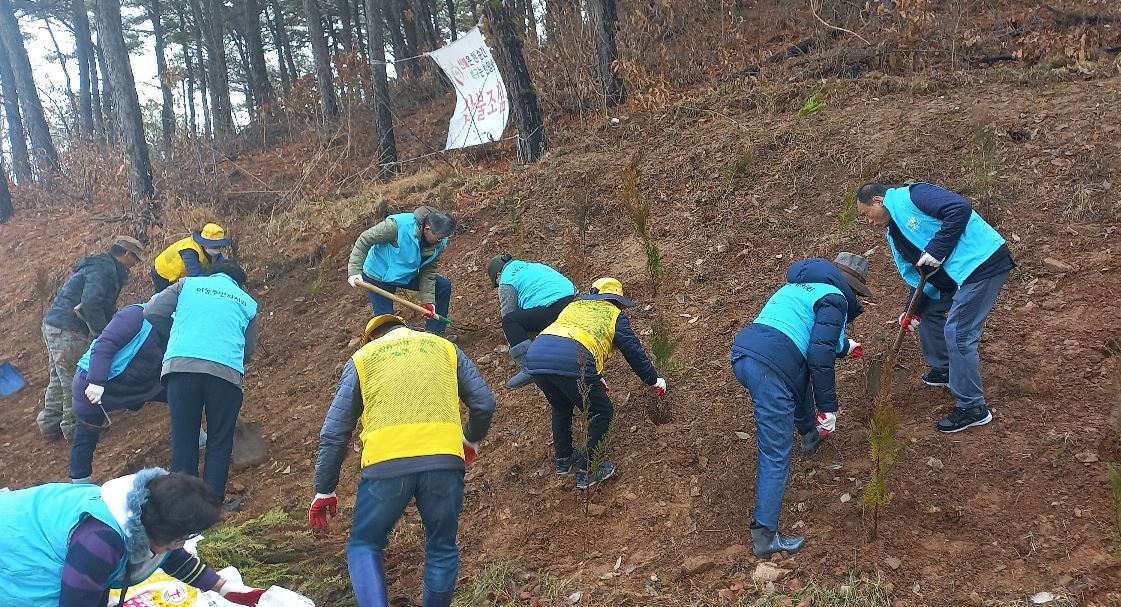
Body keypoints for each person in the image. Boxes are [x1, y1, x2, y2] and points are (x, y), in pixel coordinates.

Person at [308, 314, 495, 607]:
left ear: (372, 337)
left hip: (386, 465)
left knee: (364, 544)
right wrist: (469, 440)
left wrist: (325, 489)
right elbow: (484, 402)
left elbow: (334, 432)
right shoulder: (443, 347)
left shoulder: (363, 358)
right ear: (406, 328)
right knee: (441, 547)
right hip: (443, 461)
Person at [730, 254, 871, 557]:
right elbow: (819, 356)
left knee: (798, 379)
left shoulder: (799, 285)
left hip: (745, 353)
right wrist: (829, 408)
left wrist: (845, 346)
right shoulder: (835, 299)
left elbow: (811, 334)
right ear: (853, 290)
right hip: (771, 367)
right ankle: (765, 535)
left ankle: (809, 435)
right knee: (775, 451)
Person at [856, 181, 1014, 433]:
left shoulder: (913, 196)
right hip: (954, 276)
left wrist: (937, 249)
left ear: (878, 200)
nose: (869, 222)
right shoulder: (894, 235)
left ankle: (973, 407)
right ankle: (946, 369)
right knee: (929, 313)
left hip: (981, 263)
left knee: (959, 334)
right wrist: (912, 309)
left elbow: (960, 208)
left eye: (866, 214)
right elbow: (917, 276)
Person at [0, 468, 266, 606]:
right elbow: (75, 603)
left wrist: (222, 587)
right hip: (16, 547)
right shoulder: (99, 542)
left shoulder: (150, 509)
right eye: (183, 536)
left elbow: (172, 558)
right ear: (160, 530)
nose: (184, 543)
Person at [524, 277, 667, 489]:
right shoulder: (614, 315)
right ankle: (589, 471)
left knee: (561, 406)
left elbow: (573, 335)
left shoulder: (574, 307)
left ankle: (563, 460)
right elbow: (633, 351)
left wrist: (595, 375)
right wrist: (653, 379)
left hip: (536, 355)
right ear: (617, 300)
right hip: (572, 361)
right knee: (602, 413)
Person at [144, 262, 258, 504]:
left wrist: (177, 330)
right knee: (220, 437)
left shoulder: (188, 285)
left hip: (182, 368)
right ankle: (211, 503)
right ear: (239, 284)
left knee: (184, 434)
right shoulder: (247, 302)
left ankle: (182, 501)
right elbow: (248, 349)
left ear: (212, 274)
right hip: (225, 373)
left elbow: (152, 311)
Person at [39, 236, 144, 441]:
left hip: (55, 324)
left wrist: (116, 322)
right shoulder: (104, 270)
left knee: (59, 378)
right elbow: (91, 303)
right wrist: (103, 335)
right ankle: (76, 429)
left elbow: (103, 305)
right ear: (126, 255)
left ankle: (50, 424)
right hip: (69, 329)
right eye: (135, 259)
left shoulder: (102, 267)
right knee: (73, 378)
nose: (136, 265)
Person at [69, 303, 170, 484]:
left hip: (139, 381)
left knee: (178, 396)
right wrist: (96, 382)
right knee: (87, 432)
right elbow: (104, 345)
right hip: (96, 380)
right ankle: (80, 483)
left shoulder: (174, 324)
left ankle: (197, 436)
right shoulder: (135, 315)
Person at [346, 206, 456, 336]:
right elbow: (365, 239)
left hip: (405, 273)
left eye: (443, 238)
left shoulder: (440, 238)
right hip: (379, 274)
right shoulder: (397, 226)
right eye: (439, 238)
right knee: (387, 324)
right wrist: (354, 271)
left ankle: (435, 334)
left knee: (442, 286)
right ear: (427, 229)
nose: (441, 242)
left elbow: (428, 269)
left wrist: (428, 300)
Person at [485, 253, 578, 389]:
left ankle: (531, 367)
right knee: (527, 319)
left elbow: (508, 312)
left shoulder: (506, 280)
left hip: (552, 308)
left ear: (498, 275)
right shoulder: (533, 266)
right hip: (573, 301)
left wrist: (512, 339)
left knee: (510, 321)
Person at [151, 223, 231, 293]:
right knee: (164, 300)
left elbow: (222, 266)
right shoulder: (190, 251)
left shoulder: (212, 251)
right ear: (204, 243)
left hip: (180, 275)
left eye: (219, 246)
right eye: (215, 246)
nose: (218, 249)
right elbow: (195, 277)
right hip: (162, 272)